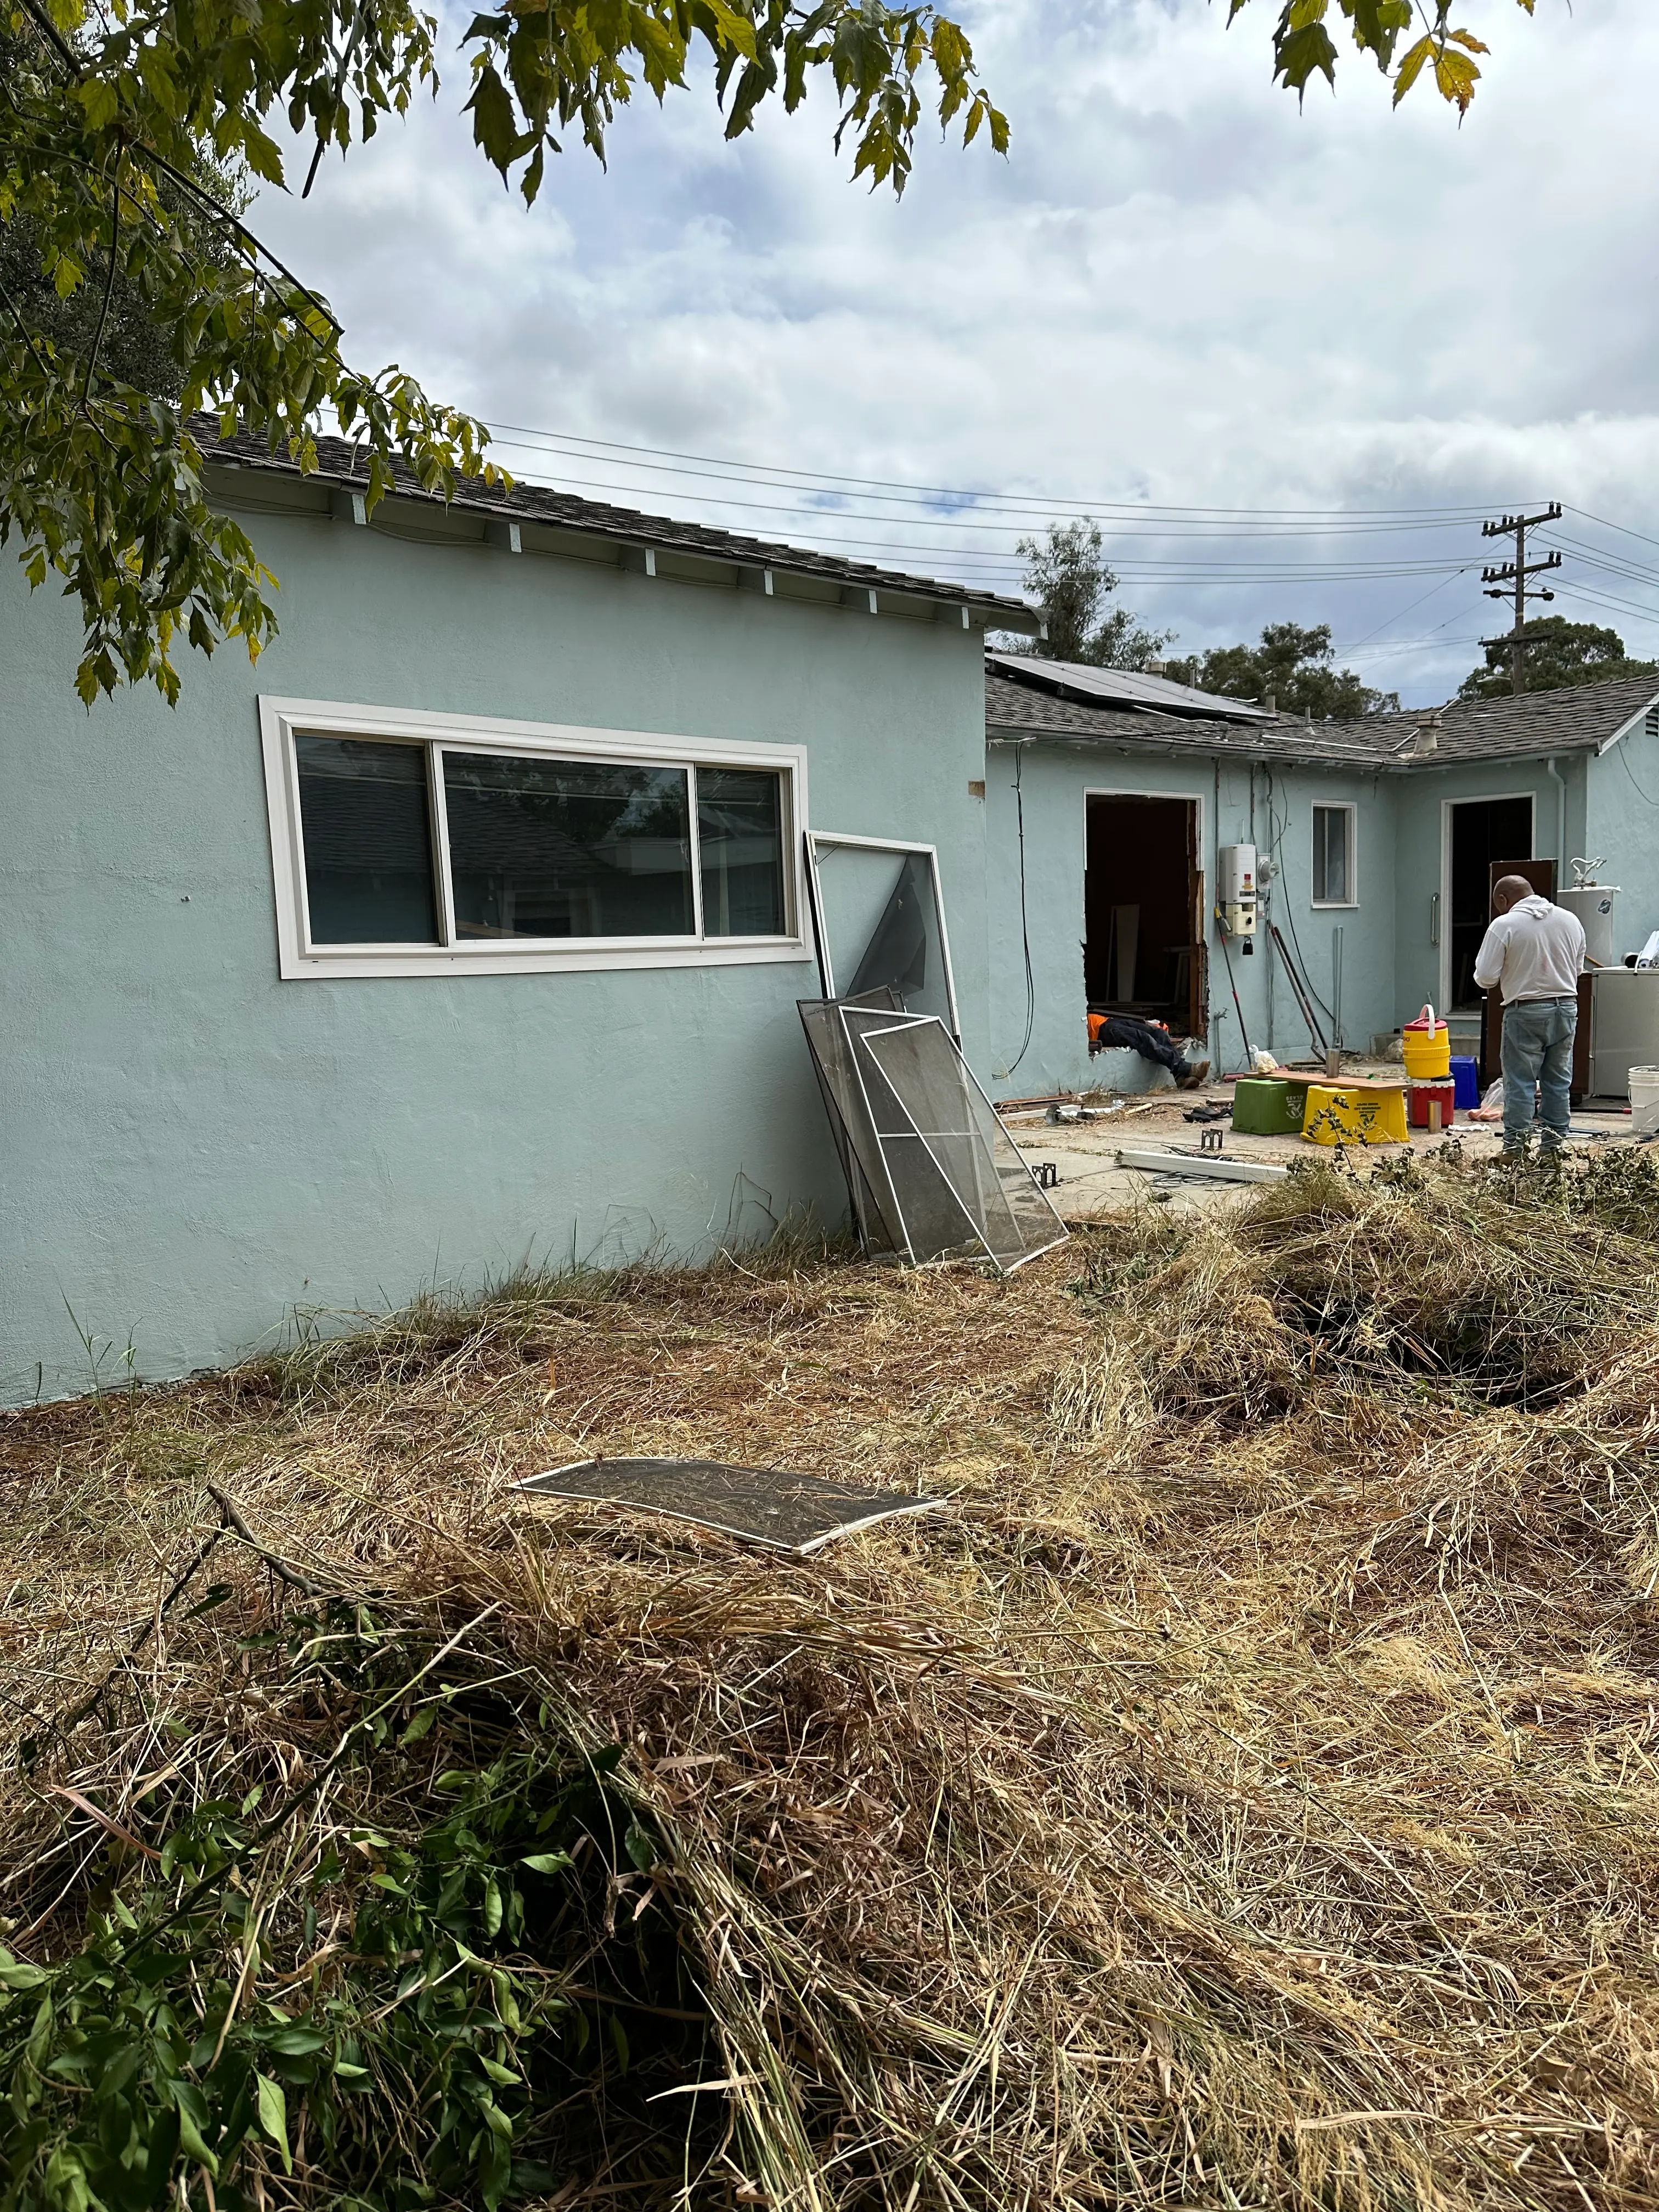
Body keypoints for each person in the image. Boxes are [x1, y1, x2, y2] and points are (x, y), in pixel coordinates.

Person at [1472, 874, 1587, 1154]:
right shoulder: (1570, 920)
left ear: (1503, 899)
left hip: (1525, 1011)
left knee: (1521, 1083)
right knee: (1558, 1083)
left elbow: (1485, 978)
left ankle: (1516, 1154)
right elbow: (1577, 970)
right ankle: (1552, 1153)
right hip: (1565, 1008)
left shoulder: (1504, 925)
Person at [1088, 1011, 1211, 1090]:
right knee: (1143, 1039)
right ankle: (1185, 1068)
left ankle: (1180, 1076)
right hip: (1100, 1031)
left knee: (1159, 1032)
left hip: (1107, 1020)